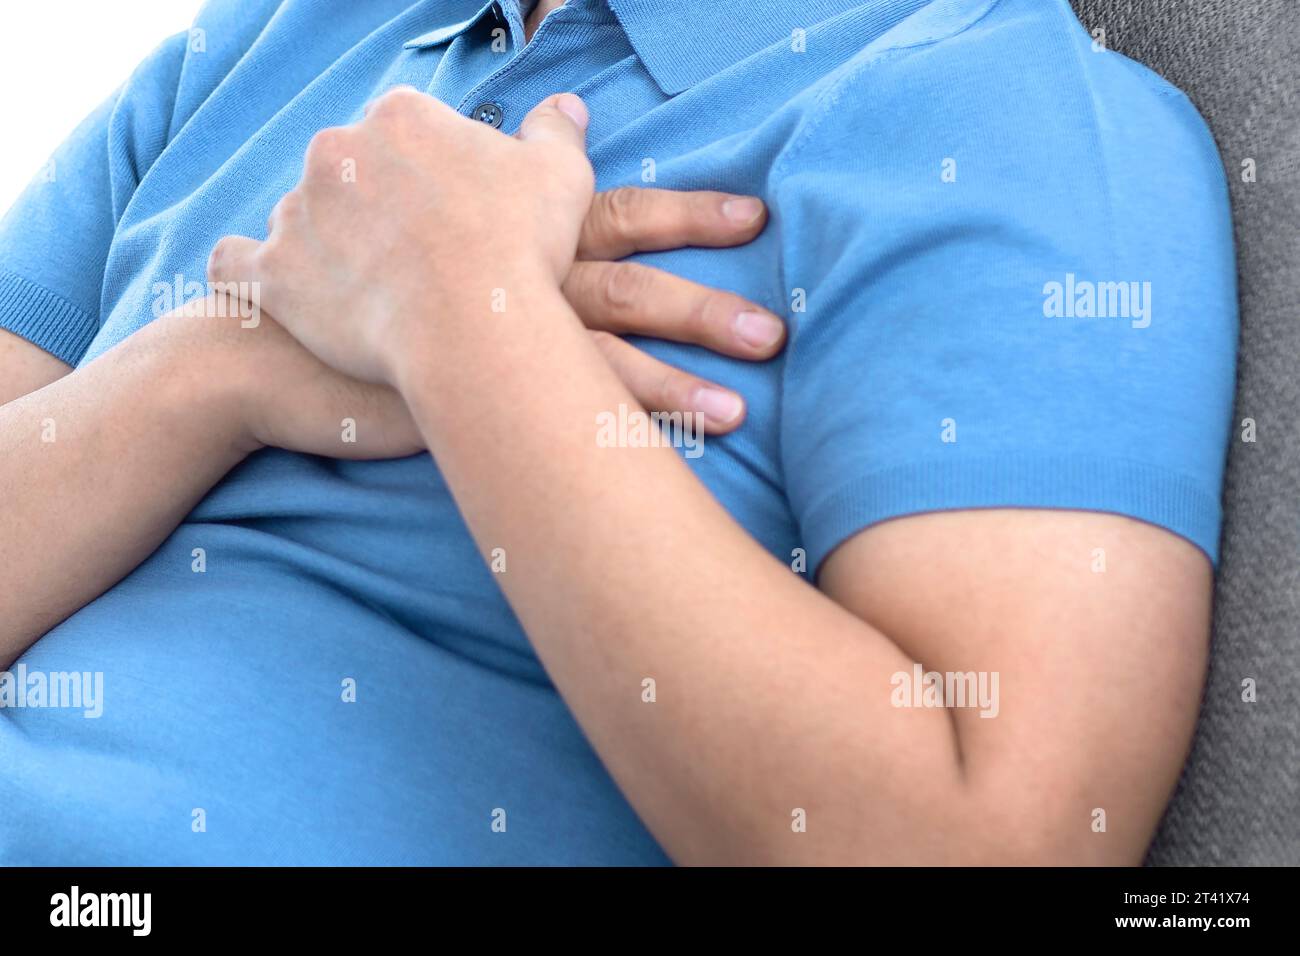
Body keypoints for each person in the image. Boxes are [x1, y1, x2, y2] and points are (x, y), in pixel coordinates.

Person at [0, 0, 1236, 865]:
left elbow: (976, 842)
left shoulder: (1007, 119)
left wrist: (462, 322)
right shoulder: (269, 34)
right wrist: (226, 361)